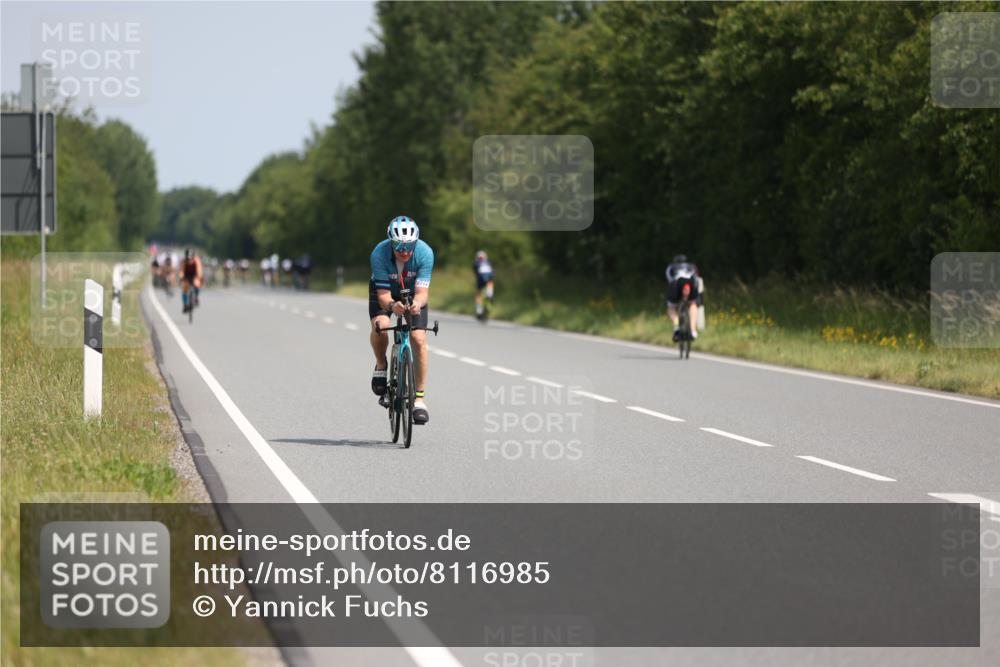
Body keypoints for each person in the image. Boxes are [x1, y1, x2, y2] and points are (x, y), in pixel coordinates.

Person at [369, 216, 434, 424]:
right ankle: (381, 364)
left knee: (418, 338)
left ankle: (420, 400)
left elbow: (423, 292)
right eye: (398, 246)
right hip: (386, 293)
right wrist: (391, 306)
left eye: (408, 246)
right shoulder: (379, 254)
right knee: (382, 325)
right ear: (391, 242)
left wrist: (416, 303)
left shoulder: (425, 253)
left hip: (412, 293)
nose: (404, 251)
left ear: (415, 243)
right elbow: (383, 295)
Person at [665, 254, 702, 341]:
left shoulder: (671, 267)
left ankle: (677, 326)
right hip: (691, 282)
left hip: (676, 283)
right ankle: (693, 330)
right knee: (693, 304)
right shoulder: (692, 266)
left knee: (671, 307)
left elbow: (669, 278)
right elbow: (697, 277)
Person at [473, 250, 494, 321]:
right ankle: (490, 295)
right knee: (490, 284)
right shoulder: (489, 263)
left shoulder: (476, 263)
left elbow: (476, 273)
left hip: (480, 281)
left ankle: (479, 310)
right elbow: (493, 273)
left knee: (478, 294)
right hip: (489, 281)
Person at [180, 248, 203, 314]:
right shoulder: (183, 261)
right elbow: (181, 271)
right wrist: (181, 277)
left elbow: (199, 270)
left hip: (195, 275)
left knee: (197, 285)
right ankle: (185, 305)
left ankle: (196, 297)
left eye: (190, 258)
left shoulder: (197, 260)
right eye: (188, 258)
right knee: (185, 289)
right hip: (186, 276)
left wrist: (199, 277)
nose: (189, 260)